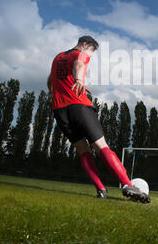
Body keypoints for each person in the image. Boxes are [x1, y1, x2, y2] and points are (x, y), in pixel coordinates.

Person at [47, 35, 150, 203]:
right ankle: (127, 184)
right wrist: (79, 79)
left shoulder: (57, 57)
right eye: (91, 51)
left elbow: (50, 81)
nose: (91, 55)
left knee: (82, 150)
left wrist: (56, 94)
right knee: (101, 146)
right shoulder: (80, 53)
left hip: (59, 110)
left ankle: (101, 189)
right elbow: (79, 63)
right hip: (79, 105)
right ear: (85, 44)